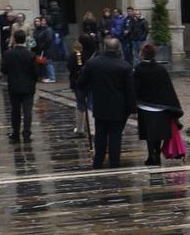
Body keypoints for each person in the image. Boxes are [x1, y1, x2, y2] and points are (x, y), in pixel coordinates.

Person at [80, 35, 137, 167]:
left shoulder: (93, 63)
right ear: (118, 49)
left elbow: (81, 83)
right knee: (116, 135)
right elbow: (130, 90)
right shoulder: (125, 66)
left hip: (100, 105)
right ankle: (114, 161)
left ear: (105, 48)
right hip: (119, 107)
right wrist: (132, 109)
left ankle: (98, 160)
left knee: (100, 134)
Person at [133, 42, 183, 167]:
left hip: (145, 106)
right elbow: (168, 88)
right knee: (158, 133)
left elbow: (135, 88)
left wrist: (133, 102)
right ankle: (156, 152)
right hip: (161, 107)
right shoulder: (161, 69)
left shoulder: (138, 70)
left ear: (142, 54)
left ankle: (152, 155)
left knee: (149, 133)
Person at [2, 29, 39, 144]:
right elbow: (36, 72)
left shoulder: (8, 54)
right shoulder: (31, 54)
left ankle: (16, 134)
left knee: (15, 111)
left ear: (14, 39)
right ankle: (27, 134)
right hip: (28, 86)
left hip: (14, 86)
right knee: (27, 111)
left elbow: (3, 70)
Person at [67, 41, 89, 135]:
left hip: (76, 82)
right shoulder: (85, 56)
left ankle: (80, 127)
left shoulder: (71, 56)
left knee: (80, 104)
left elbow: (69, 67)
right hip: (85, 82)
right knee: (87, 103)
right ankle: (88, 125)